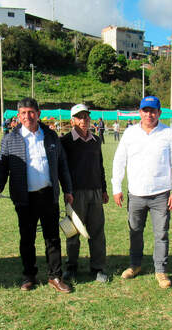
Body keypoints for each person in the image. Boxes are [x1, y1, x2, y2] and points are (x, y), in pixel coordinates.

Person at [0, 97, 74, 293]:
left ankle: (55, 276)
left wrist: (68, 190)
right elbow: (2, 165)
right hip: (24, 197)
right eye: (23, 113)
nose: (27, 116)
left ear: (38, 114)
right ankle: (29, 276)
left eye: (31, 112)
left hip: (48, 195)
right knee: (26, 239)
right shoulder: (10, 139)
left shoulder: (51, 136)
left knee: (52, 238)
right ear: (18, 116)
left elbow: (62, 165)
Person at [112, 96, 172, 289]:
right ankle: (135, 265)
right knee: (135, 232)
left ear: (159, 113)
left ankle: (160, 270)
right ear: (140, 112)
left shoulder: (169, 133)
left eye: (153, 111)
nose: (149, 114)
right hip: (135, 193)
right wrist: (116, 188)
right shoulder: (130, 133)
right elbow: (119, 160)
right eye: (145, 110)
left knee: (161, 234)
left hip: (161, 194)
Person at [60, 104, 109, 283]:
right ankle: (71, 267)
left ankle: (97, 268)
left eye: (86, 117)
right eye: (79, 117)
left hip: (95, 192)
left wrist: (103, 189)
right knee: (73, 233)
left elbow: (100, 166)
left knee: (97, 232)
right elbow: (61, 169)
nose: (83, 120)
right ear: (72, 120)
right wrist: (67, 191)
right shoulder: (65, 141)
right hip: (75, 194)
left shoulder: (96, 140)